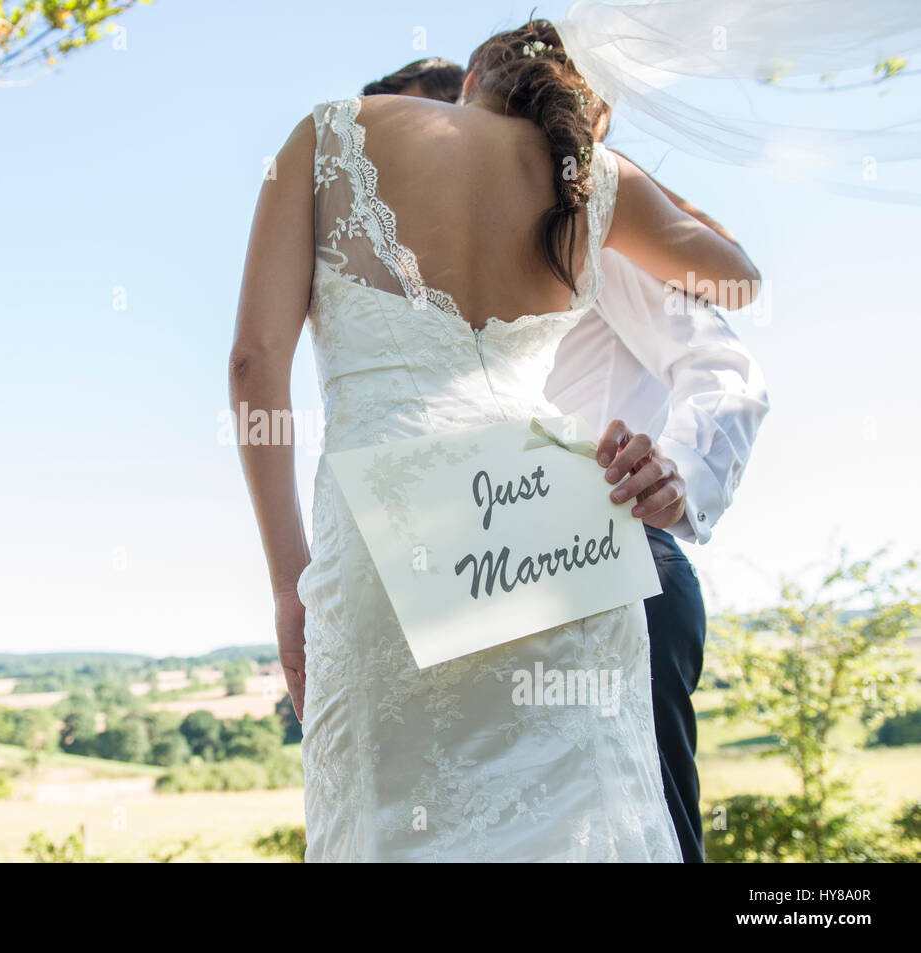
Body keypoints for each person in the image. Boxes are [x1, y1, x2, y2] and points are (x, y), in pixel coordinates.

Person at [229, 19, 760, 861]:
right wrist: (606, 171)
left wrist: (291, 585)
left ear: (474, 72)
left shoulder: (328, 131)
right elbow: (738, 275)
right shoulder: (588, 183)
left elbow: (255, 366)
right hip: (558, 538)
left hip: (386, 543)